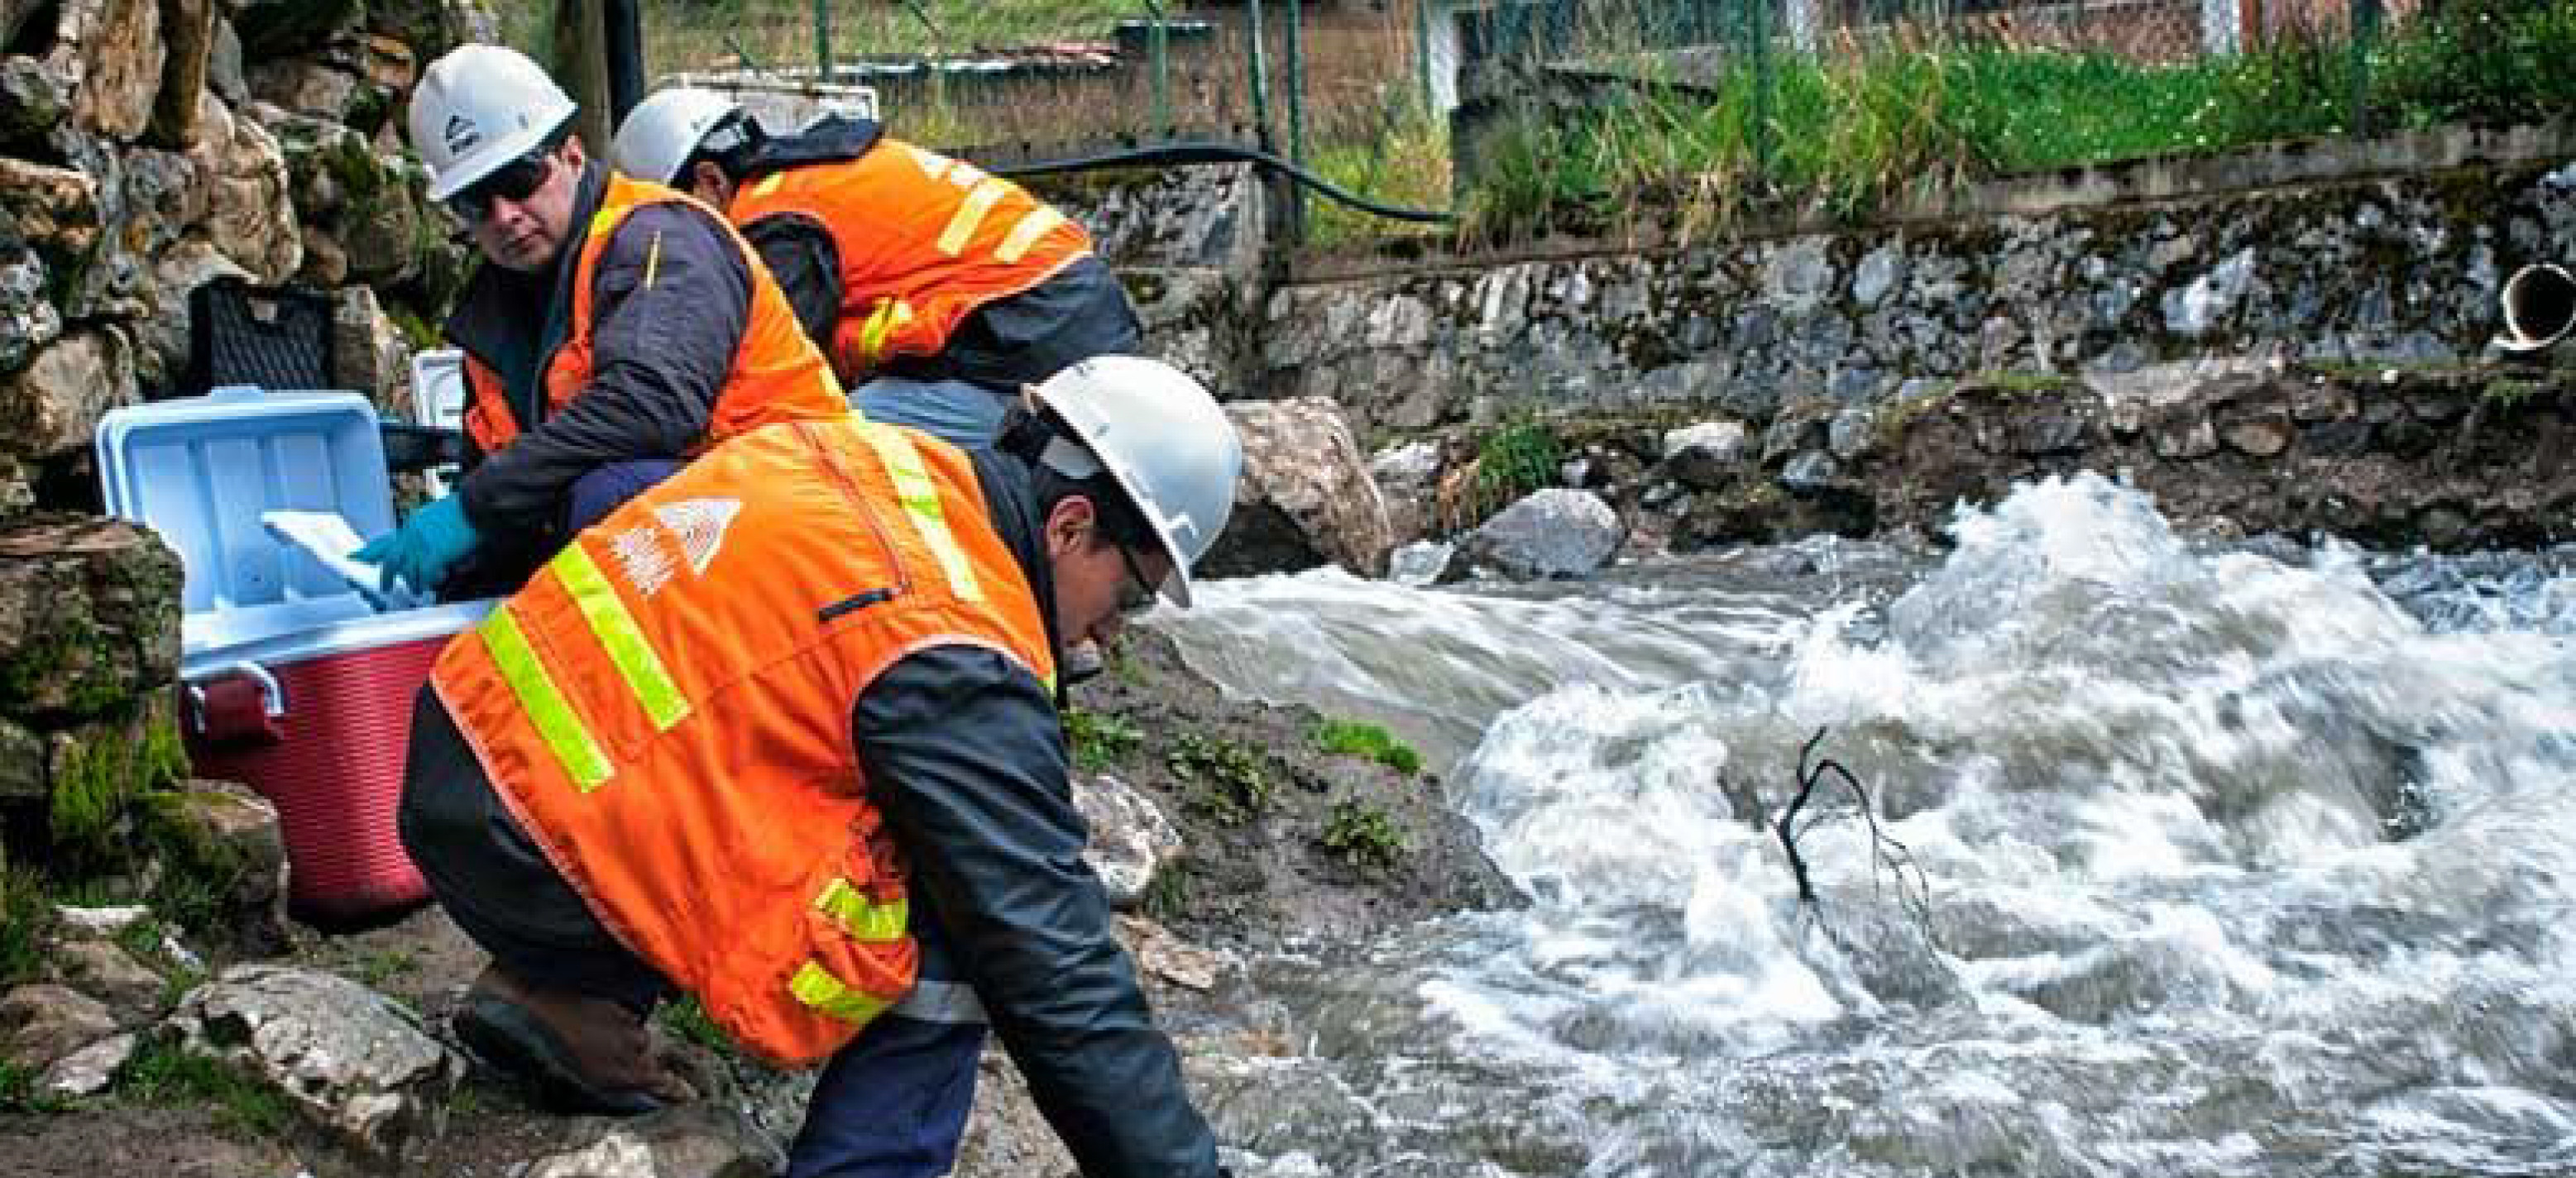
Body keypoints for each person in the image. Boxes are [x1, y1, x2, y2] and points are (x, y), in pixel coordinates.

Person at [396, 354, 1241, 1178]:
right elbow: (1055, 961)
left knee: (785, 749)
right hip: (552, 854)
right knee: (963, 905)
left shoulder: (861, 450)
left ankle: (566, 996)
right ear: (1069, 526)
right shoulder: (955, 636)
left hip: (459, 761)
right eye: (1128, 596)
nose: (1110, 635)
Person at [363, 45, 848, 600]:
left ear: (571, 155)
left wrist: (475, 508)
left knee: (607, 497)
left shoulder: (661, 238)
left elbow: (652, 404)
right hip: (729, 532)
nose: (504, 215)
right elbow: (512, 483)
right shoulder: (496, 319)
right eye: (475, 202)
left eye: (520, 178)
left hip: (810, 518)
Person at [606, 87, 1142, 448]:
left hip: (1027, 341)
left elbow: (775, 375)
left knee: (819, 454)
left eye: (672, 215)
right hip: (1065, 317)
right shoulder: (821, 173)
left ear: (709, 182)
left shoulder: (773, 224)